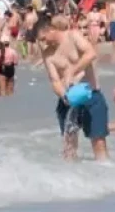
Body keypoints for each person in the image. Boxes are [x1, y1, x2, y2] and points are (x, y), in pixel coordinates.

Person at [35, 15, 108, 161]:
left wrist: (72, 71)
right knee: (69, 146)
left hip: (91, 95)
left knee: (98, 142)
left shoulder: (73, 36)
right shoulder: (48, 54)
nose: (43, 43)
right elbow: (54, 81)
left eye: (44, 38)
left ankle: (105, 174)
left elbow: (91, 53)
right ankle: (71, 180)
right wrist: (63, 96)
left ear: (51, 30)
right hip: (68, 99)